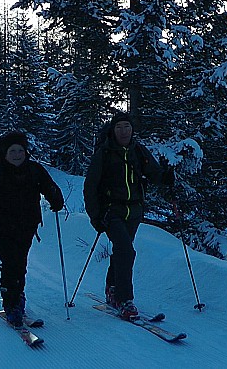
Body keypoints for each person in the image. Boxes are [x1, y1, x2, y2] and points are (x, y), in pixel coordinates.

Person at [0, 131, 64, 327]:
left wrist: (56, 198)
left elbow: (50, 187)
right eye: (13, 151)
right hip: (0, 225)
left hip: (27, 225)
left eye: (20, 150)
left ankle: (17, 297)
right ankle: (11, 304)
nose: (17, 154)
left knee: (20, 263)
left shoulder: (35, 170)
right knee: (11, 262)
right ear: (5, 153)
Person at [83, 111, 174, 320]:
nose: (123, 131)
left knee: (121, 251)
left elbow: (154, 172)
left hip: (133, 211)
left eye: (127, 127)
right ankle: (125, 300)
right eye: (119, 127)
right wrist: (95, 216)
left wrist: (165, 177)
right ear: (112, 131)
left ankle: (112, 288)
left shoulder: (138, 151)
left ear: (132, 130)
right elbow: (90, 186)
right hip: (111, 211)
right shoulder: (104, 154)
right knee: (126, 250)